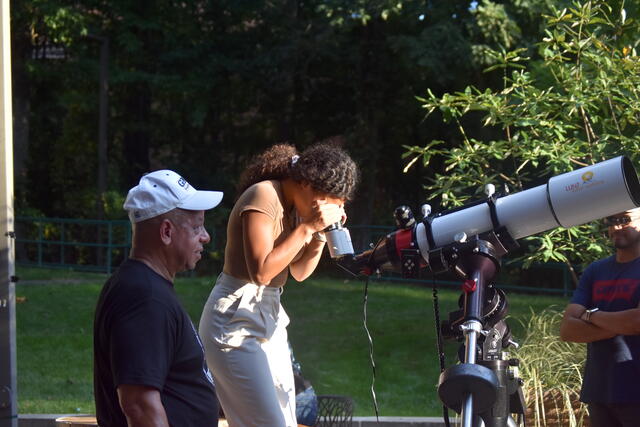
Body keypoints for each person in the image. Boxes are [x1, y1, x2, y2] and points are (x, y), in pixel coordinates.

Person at [199, 142, 358, 427]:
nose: (338, 206)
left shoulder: (298, 207)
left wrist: (320, 234)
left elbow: (299, 272)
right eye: (334, 197)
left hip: (269, 313)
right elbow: (260, 271)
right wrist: (308, 227)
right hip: (234, 320)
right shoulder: (264, 196)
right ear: (307, 184)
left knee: (285, 418)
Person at [93, 170, 223, 426]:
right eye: (196, 226)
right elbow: (139, 405)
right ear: (166, 231)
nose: (205, 236)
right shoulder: (145, 298)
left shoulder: (144, 287)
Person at [559, 208, 640, 427]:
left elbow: (636, 323)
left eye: (624, 220)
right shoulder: (596, 270)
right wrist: (623, 323)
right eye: (611, 221)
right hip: (600, 389)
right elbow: (567, 330)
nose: (615, 227)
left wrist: (589, 315)